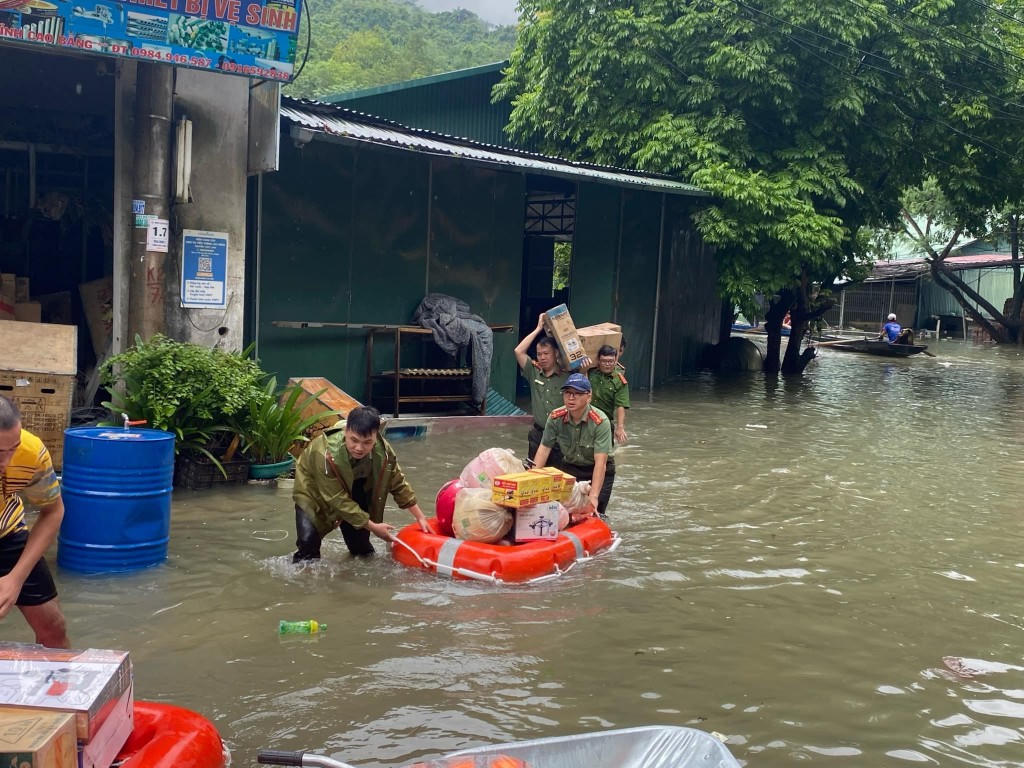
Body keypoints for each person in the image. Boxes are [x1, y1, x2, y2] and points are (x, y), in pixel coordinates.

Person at [291, 406, 430, 561]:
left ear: (376, 437)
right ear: (346, 432)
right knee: (308, 547)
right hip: (313, 490)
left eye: (367, 442)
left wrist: (420, 517)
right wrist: (374, 528)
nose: (359, 448)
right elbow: (337, 499)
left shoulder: (383, 451)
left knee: (362, 550)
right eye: (354, 440)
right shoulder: (325, 454)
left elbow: (397, 482)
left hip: (355, 486)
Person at [0, 396, 69, 648]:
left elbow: (52, 511)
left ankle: (61, 685)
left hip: (6, 531)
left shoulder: (32, 452)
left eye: (12, 449)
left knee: (53, 627)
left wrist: (16, 578)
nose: (6, 463)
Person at [533, 373, 615, 516]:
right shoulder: (555, 417)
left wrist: (593, 497)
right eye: (568, 393)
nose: (571, 398)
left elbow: (600, 463)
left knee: (594, 512)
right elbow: (543, 450)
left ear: (589, 396)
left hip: (597, 469)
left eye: (577, 394)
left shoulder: (600, 422)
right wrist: (531, 482)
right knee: (565, 511)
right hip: (570, 468)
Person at [514, 312, 568, 464]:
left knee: (559, 477)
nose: (542, 357)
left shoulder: (568, 376)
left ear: (556, 354)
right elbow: (518, 351)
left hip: (561, 437)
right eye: (539, 354)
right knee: (534, 475)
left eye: (546, 353)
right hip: (538, 434)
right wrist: (538, 328)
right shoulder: (533, 372)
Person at [588, 344, 630, 444]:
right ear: (598, 361)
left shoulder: (619, 380)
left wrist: (620, 427)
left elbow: (621, 405)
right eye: (604, 361)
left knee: (607, 456)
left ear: (615, 361)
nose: (607, 364)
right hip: (586, 421)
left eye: (610, 361)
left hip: (604, 422)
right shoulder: (590, 372)